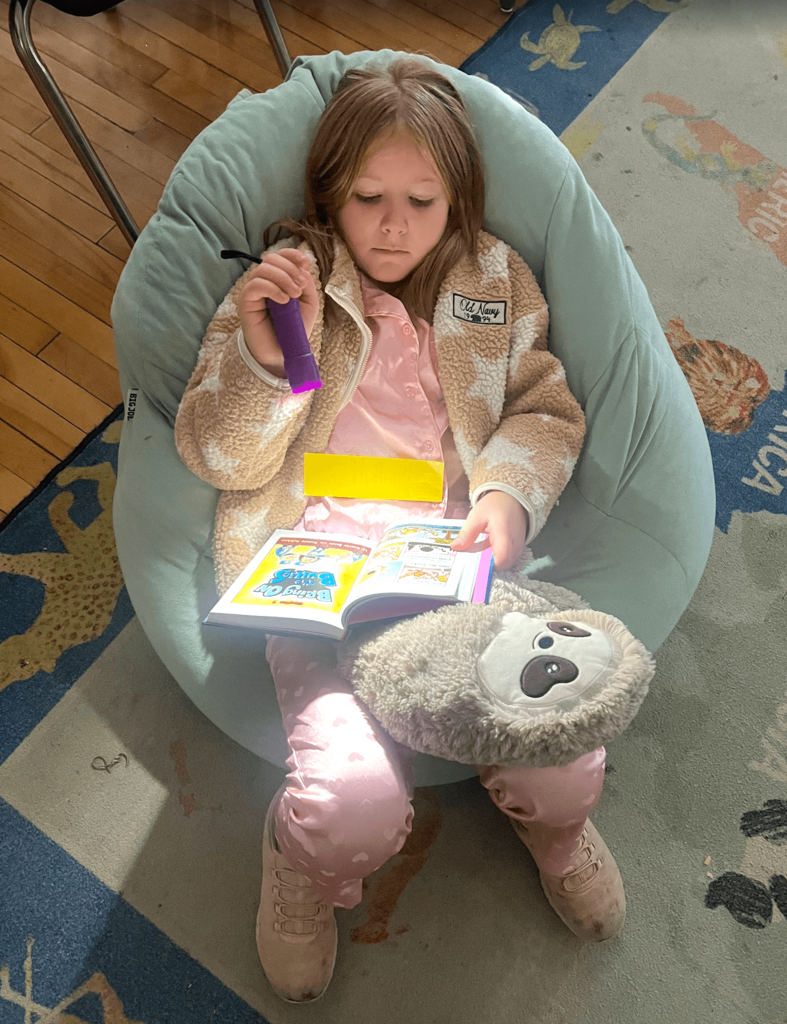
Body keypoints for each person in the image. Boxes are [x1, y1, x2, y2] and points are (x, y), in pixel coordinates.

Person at [174, 55, 623, 1004]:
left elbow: (544, 412)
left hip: (452, 570)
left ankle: (555, 832)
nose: (391, 226)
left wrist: (505, 496)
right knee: (353, 807)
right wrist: (265, 358)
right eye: (368, 196)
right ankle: (302, 863)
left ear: (458, 199)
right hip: (318, 573)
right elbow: (220, 458)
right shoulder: (288, 288)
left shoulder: (494, 281)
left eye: (422, 202)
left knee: (561, 755)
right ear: (327, 189)